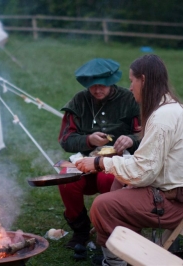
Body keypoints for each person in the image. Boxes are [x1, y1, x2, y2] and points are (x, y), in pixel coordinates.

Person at [75, 54, 183, 266]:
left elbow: (144, 172)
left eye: (132, 81)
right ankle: (122, 249)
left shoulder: (163, 116)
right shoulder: (170, 109)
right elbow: (148, 166)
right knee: (117, 184)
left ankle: (116, 262)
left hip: (172, 203)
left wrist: (99, 163)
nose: (130, 87)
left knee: (102, 205)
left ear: (143, 79)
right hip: (169, 194)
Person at [58, 58, 141, 249]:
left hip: (116, 162)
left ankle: (108, 234)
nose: (97, 90)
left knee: (107, 180)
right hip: (83, 163)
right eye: (92, 86)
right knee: (67, 181)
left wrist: (131, 140)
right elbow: (65, 139)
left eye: (102, 85)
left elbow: (144, 134)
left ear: (111, 81)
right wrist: (89, 140)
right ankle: (80, 231)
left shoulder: (129, 99)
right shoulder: (79, 101)